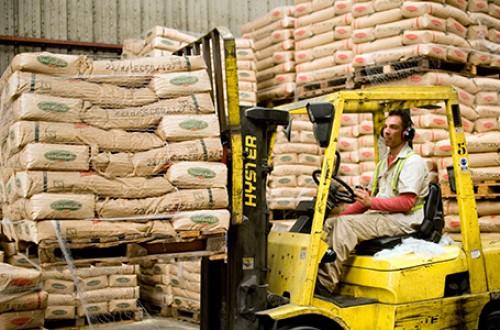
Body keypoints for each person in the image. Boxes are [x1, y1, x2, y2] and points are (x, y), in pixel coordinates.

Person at [317, 109, 430, 293]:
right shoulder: (383, 163)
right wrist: (337, 217)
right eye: (385, 127)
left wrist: (371, 203)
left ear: (406, 133)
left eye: (393, 127)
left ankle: (324, 285)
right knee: (330, 224)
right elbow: (366, 199)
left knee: (346, 225)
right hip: (383, 215)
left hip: (402, 219)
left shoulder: (412, 162)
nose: (386, 131)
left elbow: (407, 202)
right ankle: (314, 275)